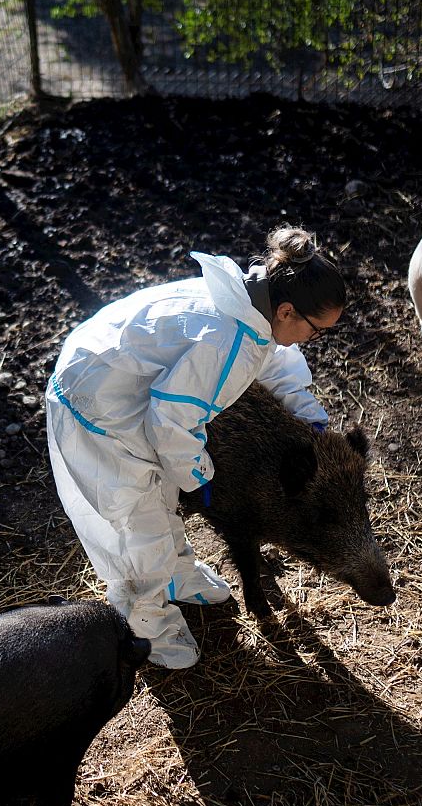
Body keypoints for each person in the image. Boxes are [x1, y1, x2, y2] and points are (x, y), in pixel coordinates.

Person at [45, 225, 347, 669]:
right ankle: (148, 626)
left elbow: (278, 361)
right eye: (316, 331)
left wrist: (311, 417)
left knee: (161, 495)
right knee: (139, 515)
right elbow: (171, 425)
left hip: (116, 376)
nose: (312, 339)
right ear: (287, 310)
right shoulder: (228, 342)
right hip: (97, 402)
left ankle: (178, 575)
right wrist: (200, 478)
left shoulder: (252, 304)